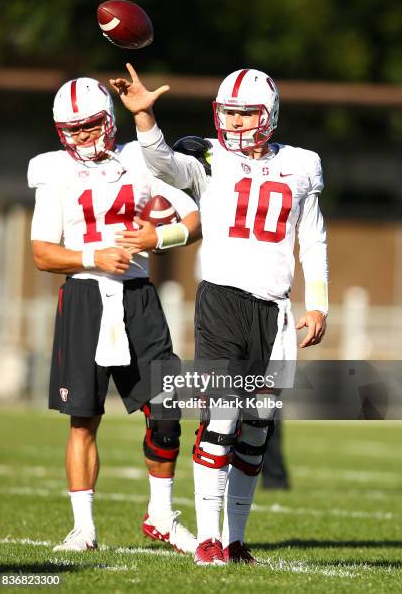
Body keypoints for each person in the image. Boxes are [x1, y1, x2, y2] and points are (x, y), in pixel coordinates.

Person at [110, 64, 328, 564]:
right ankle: (208, 539)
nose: (233, 124)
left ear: (268, 116)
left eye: (244, 114)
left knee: (256, 429)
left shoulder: (302, 164)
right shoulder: (207, 156)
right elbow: (163, 164)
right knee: (222, 420)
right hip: (223, 302)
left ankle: (235, 539)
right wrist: (144, 118)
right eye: (226, 113)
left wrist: (319, 303)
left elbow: (313, 239)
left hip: (274, 310)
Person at [28, 76, 201, 553]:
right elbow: (42, 253)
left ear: (107, 121)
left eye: (89, 126)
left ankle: (161, 516)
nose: (82, 137)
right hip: (84, 296)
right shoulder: (53, 171)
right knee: (83, 419)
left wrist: (154, 239)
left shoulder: (137, 160)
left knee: (166, 410)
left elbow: (193, 220)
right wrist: (93, 258)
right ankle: (84, 529)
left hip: (138, 297)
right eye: (73, 129)